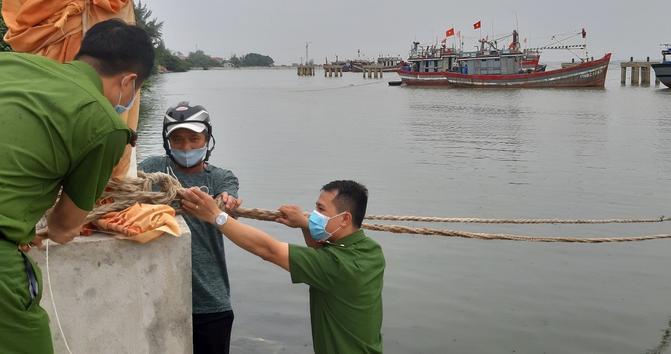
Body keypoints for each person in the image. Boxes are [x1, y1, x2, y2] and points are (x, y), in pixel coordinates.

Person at [0, 18, 155, 354]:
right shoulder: (106, 124)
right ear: (129, 81)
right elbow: (62, 225)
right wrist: (54, 230)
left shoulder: (10, 62)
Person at [182, 180, 385, 354]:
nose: (314, 214)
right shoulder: (371, 251)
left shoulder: (337, 266)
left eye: (321, 210)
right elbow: (325, 247)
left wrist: (216, 217)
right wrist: (305, 224)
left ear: (345, 219)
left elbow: (268, 250)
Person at [137, 101, 242, 354]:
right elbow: (122, 186)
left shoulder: (220, 178)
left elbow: (230, 204)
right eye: (178, 139)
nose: (186, 147)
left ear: (207, 139)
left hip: (211, 300)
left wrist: (227, 202)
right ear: (167, 141)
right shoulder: (151, 170)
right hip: (159, 296)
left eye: (194, 139)